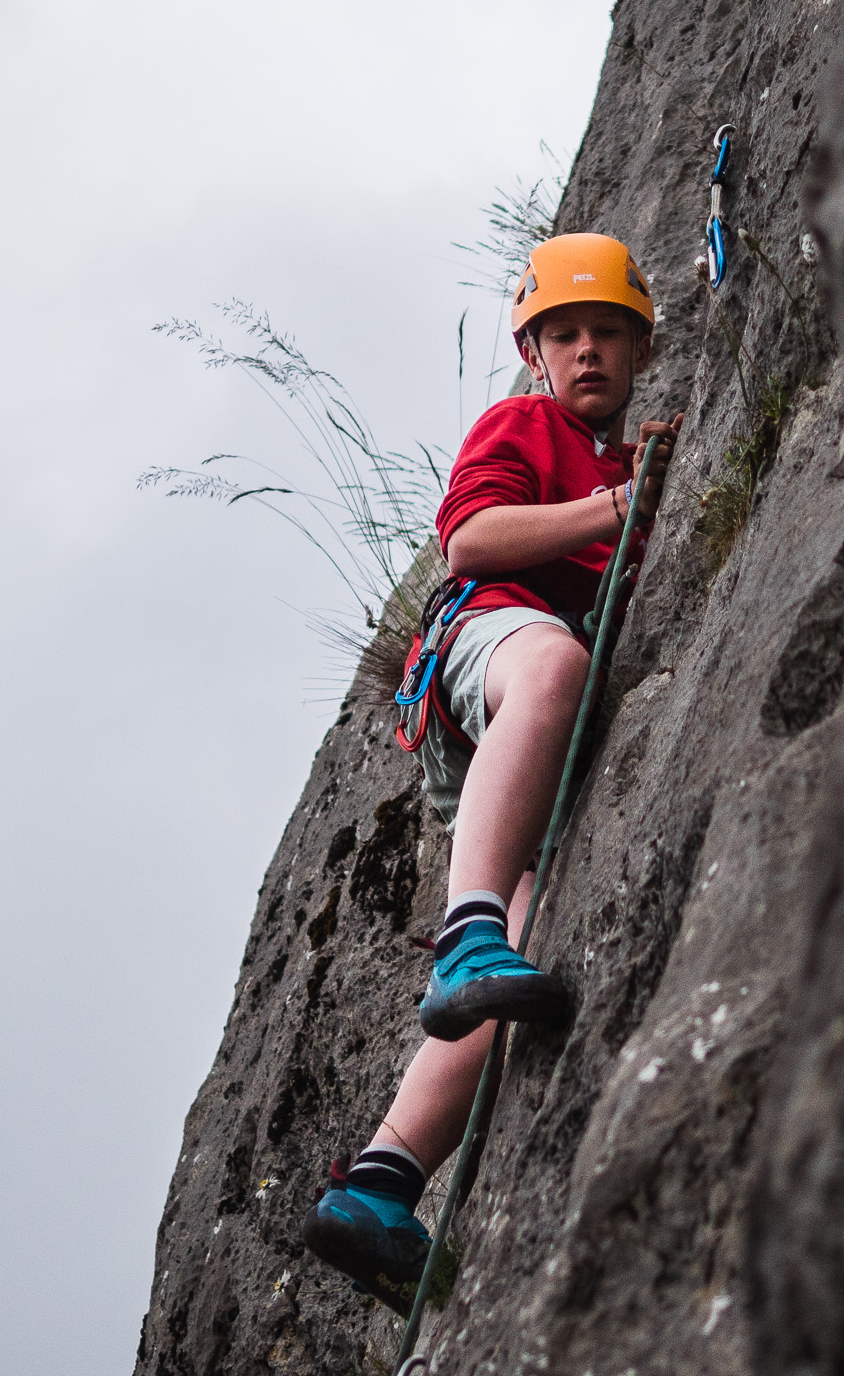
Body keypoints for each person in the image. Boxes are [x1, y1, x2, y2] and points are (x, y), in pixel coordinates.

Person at [301, 233, 683, 1310]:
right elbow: (470, 542)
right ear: (533, 351)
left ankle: (381, 1184)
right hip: (490, 644)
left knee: (532, 934)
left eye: (609, 331)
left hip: (507, 711)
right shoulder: (529, 425)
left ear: (640, 347)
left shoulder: (613, 461)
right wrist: (614, 511)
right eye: (565, 334)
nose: (589, 351)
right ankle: (465, 932)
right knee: (554, 668)